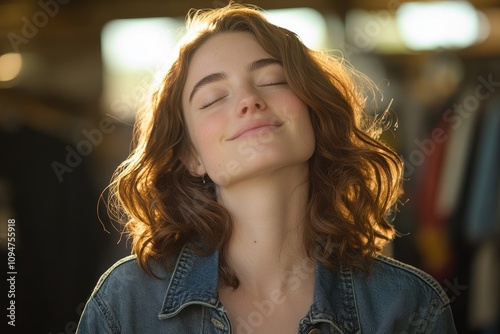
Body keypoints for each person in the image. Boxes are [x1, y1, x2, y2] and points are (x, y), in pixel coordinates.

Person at [77, 3, 457, 333]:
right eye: (212, 99)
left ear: (313, 112)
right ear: (190, 156)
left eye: (273, 80)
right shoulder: (125, 303)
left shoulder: (409, 306)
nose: (249, 100)